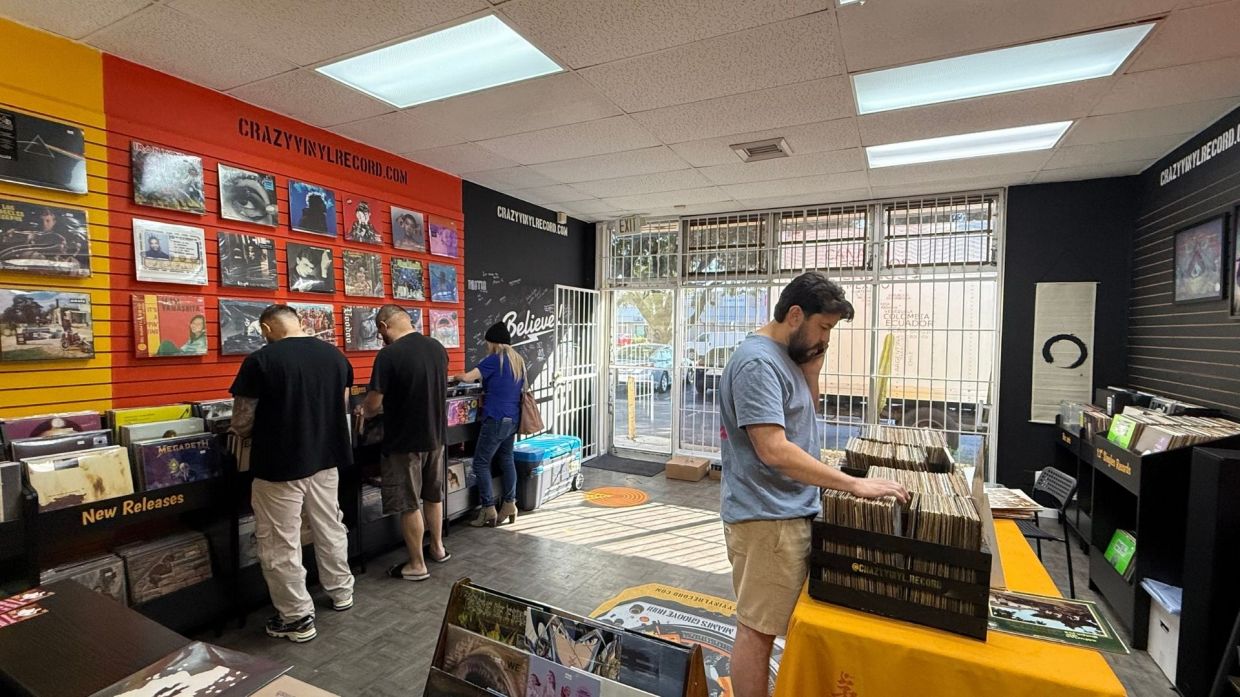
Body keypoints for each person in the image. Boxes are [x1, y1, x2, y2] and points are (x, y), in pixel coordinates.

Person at [719, 271, 908, 697]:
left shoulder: (787, 358)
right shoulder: (757, 362)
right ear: (795, 314)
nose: (826, 337)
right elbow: (773, 448)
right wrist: (851, 485)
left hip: (789, 511)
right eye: (823, 327)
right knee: (758, 630)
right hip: (768, 519)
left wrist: (813, 369)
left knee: (774, 625)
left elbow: (803, 416)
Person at [229, 304, 355, 643]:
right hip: (326, 459)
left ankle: (297, 617)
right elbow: (340, 405)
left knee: (279, 541)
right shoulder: (335, 357)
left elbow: (241, 421)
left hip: (279, 465)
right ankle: (341, 591)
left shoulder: (260, 361)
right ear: (298, 322)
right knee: (330, 525)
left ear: (268, 329)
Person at [357, 305, 450, 581]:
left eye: (379, 331)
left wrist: (364, 410)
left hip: (404, 441)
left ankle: (417, 564)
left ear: (384, 326)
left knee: (409, 503)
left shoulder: (388, 355)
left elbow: (373, 404)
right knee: (433, 496)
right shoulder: (436, 347)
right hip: (436, 437)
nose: (379, 337)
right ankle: (438, 548)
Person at [452, 321, 525, 527]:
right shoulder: (517, 360)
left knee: (480, 463)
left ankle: (488, 509)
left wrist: (455, 376)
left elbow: (468, 378)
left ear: (493, 342)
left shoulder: (494, 360)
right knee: (506, 459)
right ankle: (510, 503)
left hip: (495, 418)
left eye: (488, 343)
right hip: (513, 419)